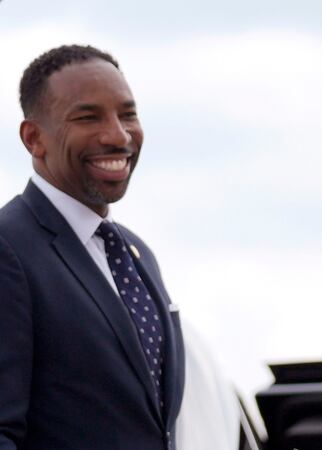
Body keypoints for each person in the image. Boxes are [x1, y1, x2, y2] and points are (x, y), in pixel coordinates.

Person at [0, 45, 184, 449]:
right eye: (88, 117)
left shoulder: (136, 256)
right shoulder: (8, 249)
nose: (118, 135)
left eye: (128, 114)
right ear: (34, 139)